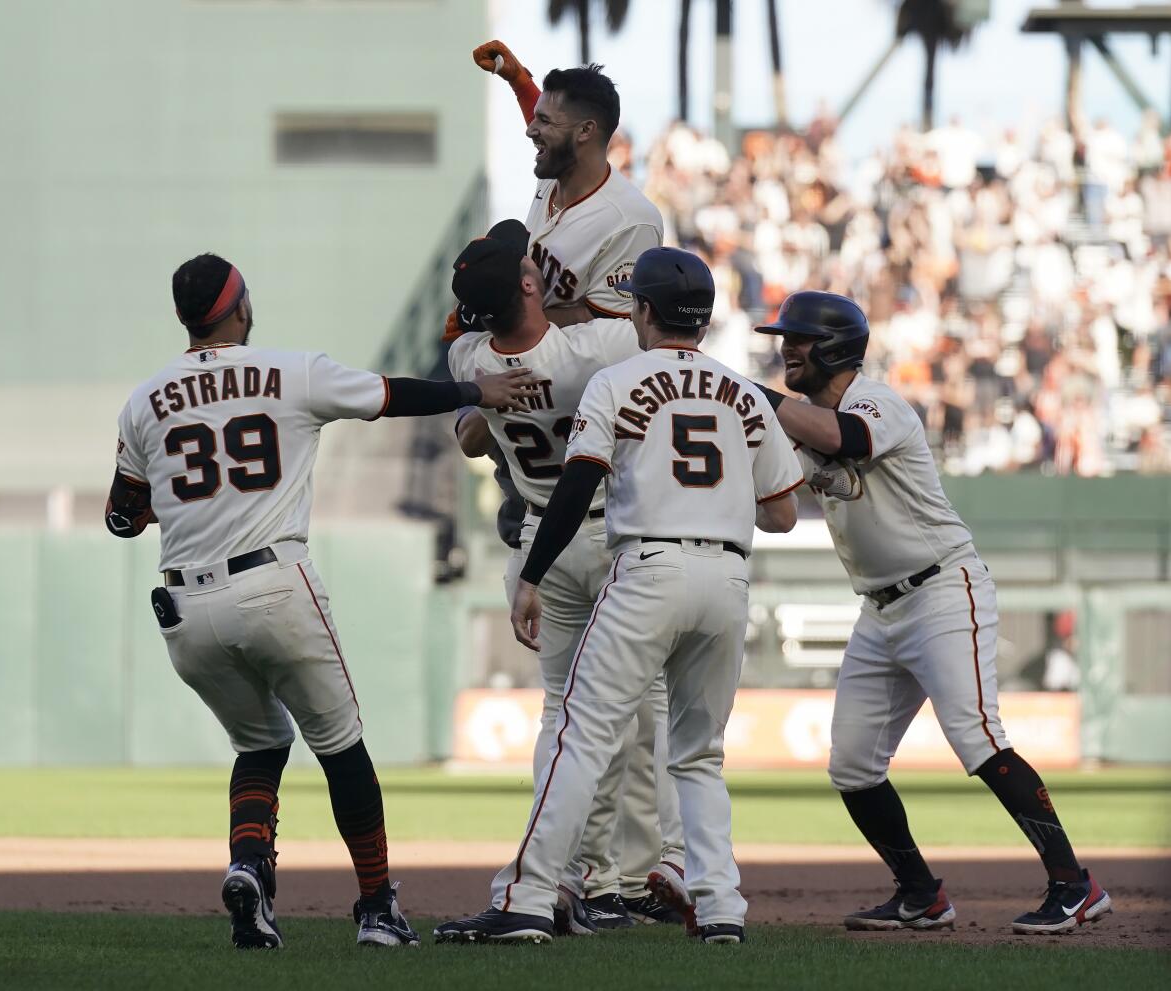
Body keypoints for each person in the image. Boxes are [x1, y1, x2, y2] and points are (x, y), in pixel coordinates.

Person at [105, 252, 536, 950]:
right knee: (341, 749)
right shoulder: (290, 370)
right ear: (240, 305)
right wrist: (475, 392)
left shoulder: (143, 400)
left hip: (186, 607)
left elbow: (121, 516)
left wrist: (190, 495)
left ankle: (249, 867)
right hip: (274, 581)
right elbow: (392, 393)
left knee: (260, 742)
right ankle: (376, 907)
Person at [435, 248, 802, 946]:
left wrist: (535, 573)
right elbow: (782, 513)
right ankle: (720, 906)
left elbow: (576, 485)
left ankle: (529, 894)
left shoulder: (617, 379)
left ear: (644, 312)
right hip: (726, 579)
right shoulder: (745, 392)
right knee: (696, 755)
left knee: (580, 733)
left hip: (647, 565)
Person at [753, 290, 1111, 935]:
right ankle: (921, 894)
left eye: (799, 338)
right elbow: (775, 494)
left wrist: (756, 398)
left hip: (943, 588)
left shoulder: (876, 400)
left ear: (834, 347)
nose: (787, 349)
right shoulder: (801, 417)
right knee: (853, 764)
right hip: (880, 608)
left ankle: (1074, 884)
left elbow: (847, 440)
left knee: (977, 738)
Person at [466, 41, 688, 926]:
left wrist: (499, 333)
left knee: (611, 710)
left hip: (605, 479)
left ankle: (627, 872)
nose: (534, 127)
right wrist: (525, 84)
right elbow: (551, 301)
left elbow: (617, 331)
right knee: (619, 707)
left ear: (590, 133)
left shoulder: (632, 217)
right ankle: (623, 873)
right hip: (559, 480)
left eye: (548, 121)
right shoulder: (550, 191)